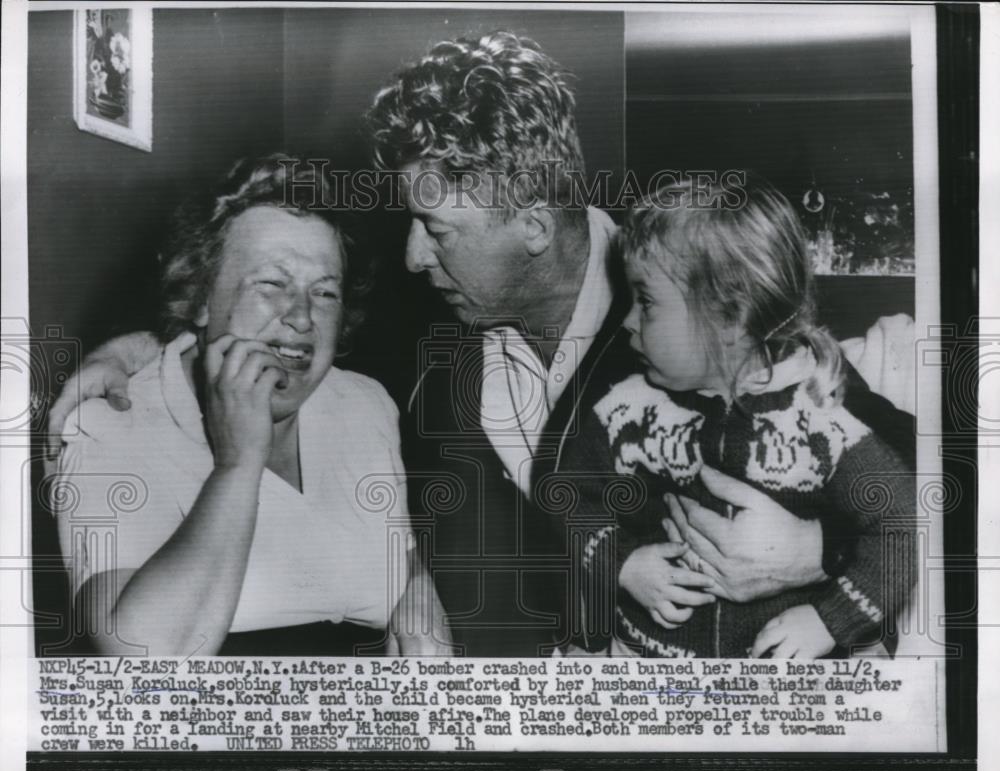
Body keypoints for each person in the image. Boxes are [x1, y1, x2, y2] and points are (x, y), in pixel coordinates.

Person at [47, 32, 914, 657]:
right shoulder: (433, 341)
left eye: (438, 227)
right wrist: (136, 346)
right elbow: (285, 338)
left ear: (534, 225)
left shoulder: (697, 302)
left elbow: (917, 479)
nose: (415, 256)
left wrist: (820, 551)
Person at [50, 155, 451, 657]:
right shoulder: (108, 425)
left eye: (325, 292)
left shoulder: (364, 404)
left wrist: (416, 590)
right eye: (272, 284)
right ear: (199, 297)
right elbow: (145, 664)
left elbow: (397, 554)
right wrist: (237, 465)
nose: (303, 318)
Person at [565, 178, 916, 658]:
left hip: (777, 690)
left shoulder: (822, 420)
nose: (627, 321)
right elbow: (565, 494)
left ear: (729, 317)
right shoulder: (625, 408)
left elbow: (904, 525)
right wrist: (622, 564)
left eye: (645, 302)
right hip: (647, 676)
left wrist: (830, 620)